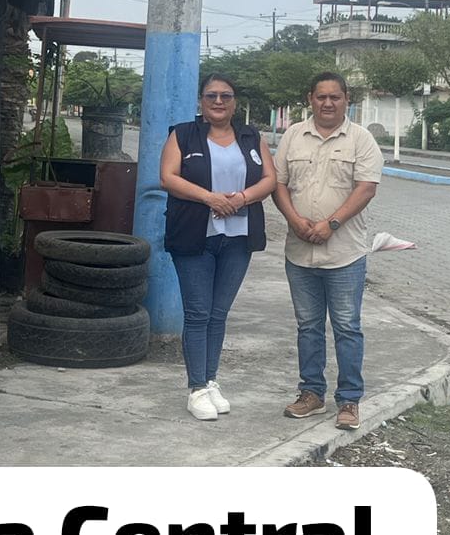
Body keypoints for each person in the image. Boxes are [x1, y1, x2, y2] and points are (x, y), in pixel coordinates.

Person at [160, 72, 277, 421]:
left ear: (235, 102)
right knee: (198, 313)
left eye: (225, 95)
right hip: (194, 236)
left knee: (218, 314)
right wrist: (210, 198)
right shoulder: (183, 134)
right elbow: (168, 178)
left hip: (238, 238)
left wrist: (241, 198)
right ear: (201, 101)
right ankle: (196, 388)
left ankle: (210, 380)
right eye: (211, 95)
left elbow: (270, 179)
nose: (218, 101)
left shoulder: (251, 136)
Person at [272, 71, 384, 430]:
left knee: (347, 327)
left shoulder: (361, 140)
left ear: (346, 99)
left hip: (344, 254)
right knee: (308, 326)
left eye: (335, 97)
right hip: (299, 251)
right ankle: (311, 393)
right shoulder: (293, 136)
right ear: (310, 99)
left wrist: (331, 224)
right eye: (321, 97)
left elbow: (366, 188)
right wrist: (294, 220)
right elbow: (278, 184)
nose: (328, 103)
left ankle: (349, 400)